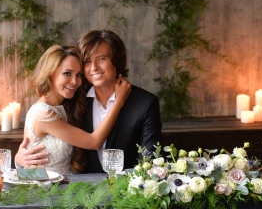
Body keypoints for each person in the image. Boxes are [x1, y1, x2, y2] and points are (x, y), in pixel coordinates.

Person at [16, 30, 161, 173]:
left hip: (125, 186)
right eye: (87, 61)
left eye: (101, 59)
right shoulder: (72, 98)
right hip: (76, 185)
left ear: (117, 60)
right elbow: (33, 143)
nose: (94, 67)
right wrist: (19, 161)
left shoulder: (144, 103)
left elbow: (149, 162)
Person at [17, 44, 131, 178]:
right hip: (48, 188)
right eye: (67, 73)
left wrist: (19, 160)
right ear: (50, 73)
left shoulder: (64, 107)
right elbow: (94, 142)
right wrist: (119, 101)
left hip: (67, 184)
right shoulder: (44, 113)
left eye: (79, 75)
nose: (75, 81)